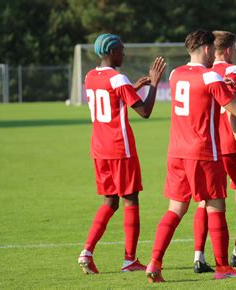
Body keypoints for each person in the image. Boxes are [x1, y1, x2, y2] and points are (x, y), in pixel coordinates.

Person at [145, 29, 236, 283]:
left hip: (176, 152)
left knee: (176, 208)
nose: (216, 53)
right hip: (202, 152)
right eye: (213, 49)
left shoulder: (176, 74)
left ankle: (155, 262)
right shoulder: (210, 76)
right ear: (204, 48)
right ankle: (223, 266)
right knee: (216, 205)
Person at [78, 33, 167, 274]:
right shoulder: (118, 78)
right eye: (122, 50)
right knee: (130, 200)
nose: (124, 54)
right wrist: (155, 82)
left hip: (99, 149)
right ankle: (129, 260)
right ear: (112, 52)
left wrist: (132, 87)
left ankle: (87, 251)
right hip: (120, 148)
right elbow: (145, 111)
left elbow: (111, 97)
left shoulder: (90, 76)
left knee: (110, 200)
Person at [191, 30, 236, 274]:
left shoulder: (203, 73)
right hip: (231, 145)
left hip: (208, 145)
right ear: (229, 50)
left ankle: (199, 256)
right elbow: (234, 110)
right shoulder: (232, 72)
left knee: (206, 201)